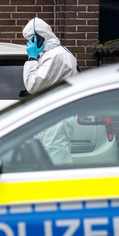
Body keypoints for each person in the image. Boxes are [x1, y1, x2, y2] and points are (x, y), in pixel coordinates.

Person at [22, 16, 78, 166]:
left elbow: (33, 85)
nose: (28, 43)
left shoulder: (56, 56)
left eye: (29, 39)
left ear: (38, 38)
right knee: (49, 160)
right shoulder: (54, 54)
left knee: (56, 161)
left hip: (56, 118)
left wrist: (32, 59)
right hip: (54, 116)